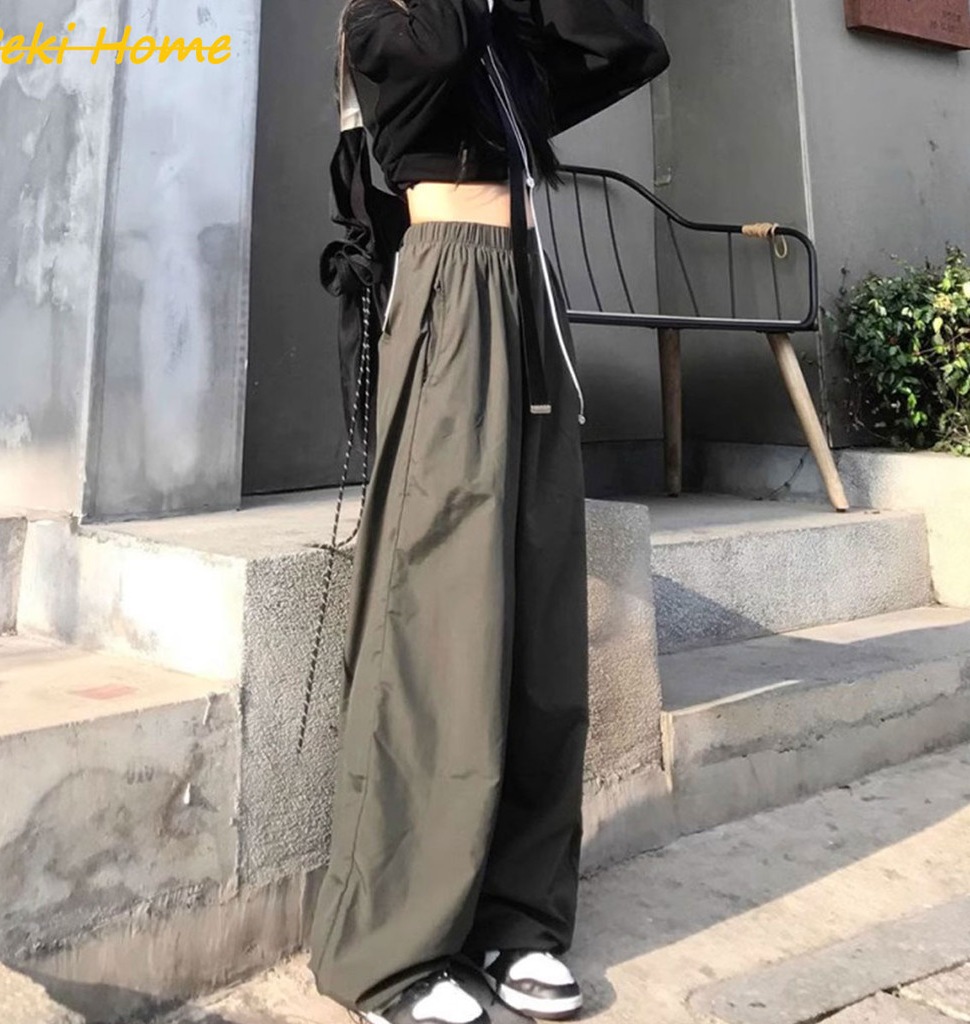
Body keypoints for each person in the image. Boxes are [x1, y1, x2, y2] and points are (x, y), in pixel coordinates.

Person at [308, 3, 669, 1023]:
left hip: (529, 288)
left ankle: (518, 919)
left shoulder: (503, 50)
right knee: (442, 614)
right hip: (450, 288)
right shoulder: (382, 27)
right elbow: (435, 44)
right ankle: (393, 945)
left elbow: (627, 45)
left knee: (541, 615)